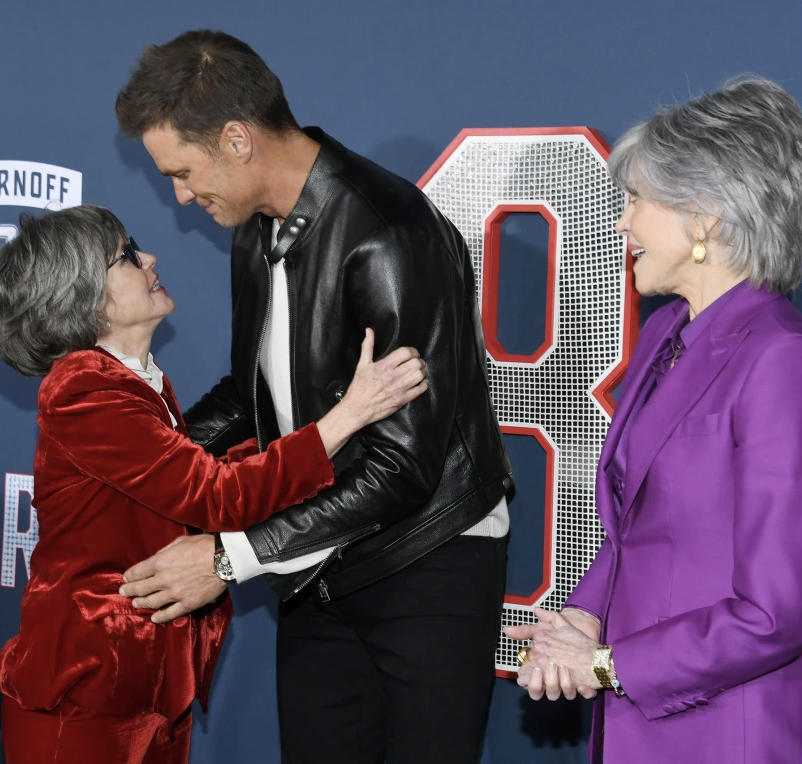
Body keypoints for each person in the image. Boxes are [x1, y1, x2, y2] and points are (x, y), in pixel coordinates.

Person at [113, 30, 512, 764]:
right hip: (314, 561)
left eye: (181, 170)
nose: (177, 194)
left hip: (424, 560)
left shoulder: (388, 234)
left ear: (237, 139)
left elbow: (403, 469)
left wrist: (231, 559)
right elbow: (253, 390)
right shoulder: (253, 228)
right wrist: (145, 462)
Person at [0, 205, 427, 764]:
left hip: (149, 684)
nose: (150, 259)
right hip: (88, 692)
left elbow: (194, 480)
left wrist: (322, 425)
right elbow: (218, 496)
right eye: (126, 255)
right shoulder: (83, 389)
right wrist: (349, 415)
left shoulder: (135, 380)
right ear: (84, 296)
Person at [505, 77, 802, 763]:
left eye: (635, 201)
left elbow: (771, 616)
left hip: (734, 732)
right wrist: (582, 614)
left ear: (704, 218)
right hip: (645, 722)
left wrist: (603, 666)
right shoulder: (668, 330)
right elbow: (641, 525)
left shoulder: (782, 361)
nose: (620, 224)